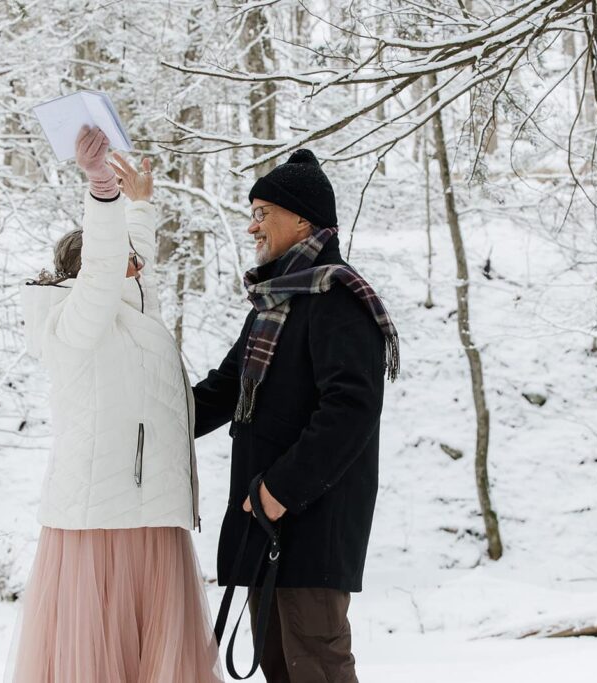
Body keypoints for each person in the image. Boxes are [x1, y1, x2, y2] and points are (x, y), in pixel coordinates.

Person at [6, 126, 223, 682]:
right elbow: (106, 274)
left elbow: (131, 262)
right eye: (122, 258)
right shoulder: (73, 322)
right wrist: (102, 190)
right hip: (98, 523)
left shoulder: (131, 313)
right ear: (91, 270)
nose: (136, 265)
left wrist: (141, 204)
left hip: (146, 516)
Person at [193, 149, 399, 682]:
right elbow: (221, 391)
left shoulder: (338, 297)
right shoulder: (276, 302)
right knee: (281, 667)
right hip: (269, 526)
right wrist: (145, 420)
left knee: (317, 667)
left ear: (303, 219)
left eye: (262, 212)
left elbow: (351, 410)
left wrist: (278, 492)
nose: (251, 226)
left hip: (310, 523)